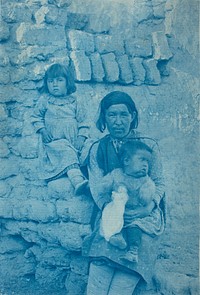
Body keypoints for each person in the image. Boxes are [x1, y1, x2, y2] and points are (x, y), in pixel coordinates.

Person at [82, 91, 165, 295]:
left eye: (124, 115)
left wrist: (148, 206)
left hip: (144, 217)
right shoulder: (98, 149)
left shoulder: (149, 146)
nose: (118, 121)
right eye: (112, 115)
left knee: (126, 274)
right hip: (113, 212)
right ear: (104, 118)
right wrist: (111, 211)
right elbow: (97, 188)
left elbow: (159, 182)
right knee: (100, 272)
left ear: (133, 116)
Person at [98, 141, 162, 264]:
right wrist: (104, 186)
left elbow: (148, 194)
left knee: (135, 226)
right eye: (142, 160)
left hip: (135, 211)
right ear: (126, 161)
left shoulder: (145, 180)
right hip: (118, 208)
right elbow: (104, 185)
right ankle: (116, 237)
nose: (145, 165)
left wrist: (146, 194)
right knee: (110, 218)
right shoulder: (117, 174)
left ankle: (133, 251)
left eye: (148, 162)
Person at [32, 63, 89, 195]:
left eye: (59, 80)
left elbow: (84, 121)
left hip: (74, 140)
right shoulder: (45, 100)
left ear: (67, 82)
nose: (55, 84)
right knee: (65, 151)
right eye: (51, 81)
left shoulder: (75, 101)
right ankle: (77, 181)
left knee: (91, 148)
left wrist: (81, 137)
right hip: (54, 142)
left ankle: (94, 178)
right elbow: (35, 117)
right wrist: (43, 130)